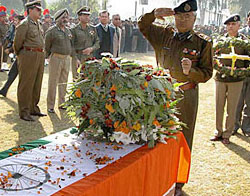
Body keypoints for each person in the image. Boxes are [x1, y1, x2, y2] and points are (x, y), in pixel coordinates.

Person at [138, 0, 213, 195]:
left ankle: (178, 182)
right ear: (174, 16)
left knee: (182, 138)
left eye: (187, 16)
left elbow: (207, 73)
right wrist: (154, 13)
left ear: (195, 18)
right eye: (179, 16)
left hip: (186, 95)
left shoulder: (202, 42)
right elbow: (142, 25)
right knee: (157, 133)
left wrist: (191, 72)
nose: (182, 20)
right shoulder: (164, 35)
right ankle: (159, 173)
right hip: (161, 94)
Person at [210, 14, 249, 143]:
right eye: (228, 25)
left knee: (232, 108)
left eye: (233, 24)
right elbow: (213, 56)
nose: (231, 27)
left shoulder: (244, 41)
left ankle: (227, 134)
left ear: (239, 26)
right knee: (219, 106)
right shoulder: (220, 41)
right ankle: (218, 131)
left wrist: (243, 72)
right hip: (221, 78)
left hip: (236, 80)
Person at [13, 0, 46, 121]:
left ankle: (33, 108)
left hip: (39, 55)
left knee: (37, 83)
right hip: (28, 55)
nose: (40, 12)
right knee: (26, 84)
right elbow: (17, 44)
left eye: (40, 10)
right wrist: (22, 56)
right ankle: (24, 111)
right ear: (30, 10)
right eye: (37, 10)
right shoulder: (24, 24)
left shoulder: (38, 24)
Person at [45, 8, 72, 113]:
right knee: (53, 82)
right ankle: (50, 106)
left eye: (66, 17)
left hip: (66, 59)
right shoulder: (52, 31)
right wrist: (48, 57)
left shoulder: (68, 30)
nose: (65, 19)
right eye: (63, 17)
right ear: (57, 19)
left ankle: (62, 103)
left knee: (64, 82)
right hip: (56, 58)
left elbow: (71, 45)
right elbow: (47, 45)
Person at [70, 6, 99, 79]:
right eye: (84, 15)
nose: (87, 17)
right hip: (78, 57)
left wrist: (91, 49)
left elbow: (97, 42)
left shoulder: (93, 28)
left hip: (90, 58)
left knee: (90, 79)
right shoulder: (74, 30)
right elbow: (71, 45)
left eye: (88, 15)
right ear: (79, 17)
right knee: (77, 79)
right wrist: (75, 59)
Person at [234, 11, 250, 137]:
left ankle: (246, 127)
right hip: (240, 71)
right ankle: (234, 125)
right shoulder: (240, 34)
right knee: (237, 100)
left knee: (249, 102)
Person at [0, 15, 25, 97]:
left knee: (23, 77)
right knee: (12, 73)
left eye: (16, 20)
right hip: (19, 55)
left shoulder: (23, 29)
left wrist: (10, 49)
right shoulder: (15, 28)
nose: (14, 22)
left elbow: (19, 43)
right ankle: (4, 90)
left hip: (25, 56)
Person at [0, 5, 9, 72]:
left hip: (6, 42)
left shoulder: (7, 25)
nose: (3, 18)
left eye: (4, 17)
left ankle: (3, 66)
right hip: (0, 42)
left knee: (5, 55)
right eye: (2, 17)